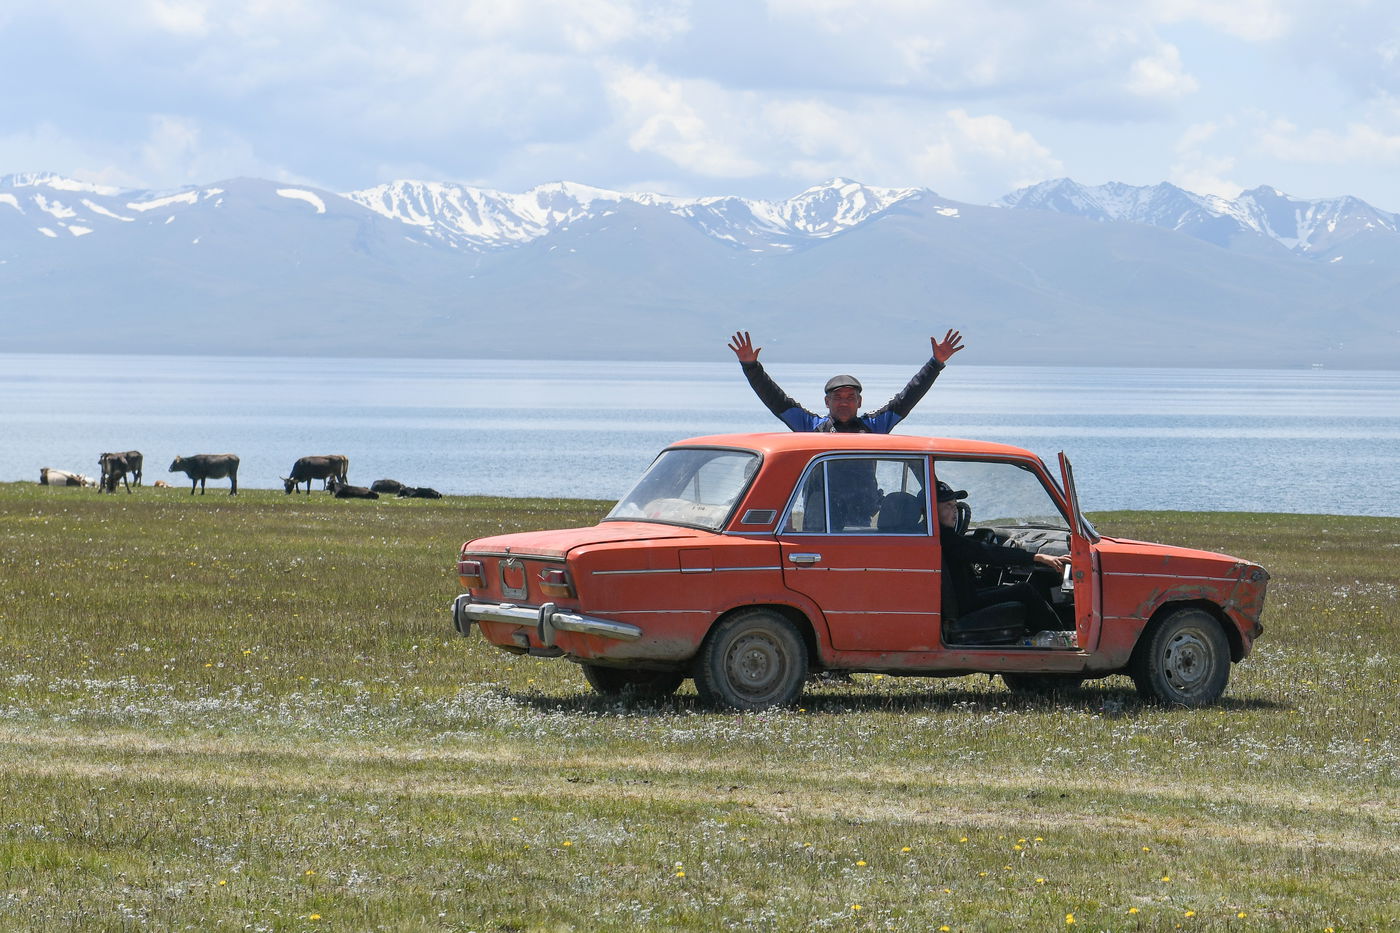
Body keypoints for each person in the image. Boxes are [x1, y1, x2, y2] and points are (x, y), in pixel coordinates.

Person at [727, 329, 964, 433]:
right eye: (837, 397)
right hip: (818, 525)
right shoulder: (810, 427)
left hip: (864, 519)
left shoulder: (876, 426)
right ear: (826, 401)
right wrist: (751, 366)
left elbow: (909, 396)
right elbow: (775, 399)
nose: (844, 402)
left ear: (859, 402)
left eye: (850, 397)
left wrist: (936, 363)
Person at [936, 481, 1069, 633]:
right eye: (948, 505)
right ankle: (1060, 636)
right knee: (1024, 590)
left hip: (964, 598)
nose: (954, 511)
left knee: (1010, 585)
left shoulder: (940, 536)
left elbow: (978, 550)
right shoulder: (946, 539)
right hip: (964, 605)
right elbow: (985, 552)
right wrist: (1037, 557)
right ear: (932, 509)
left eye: (955, 505)